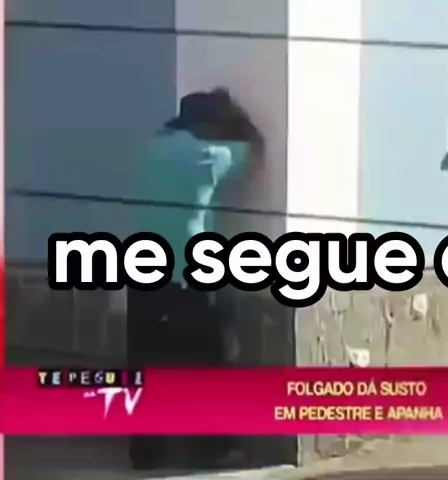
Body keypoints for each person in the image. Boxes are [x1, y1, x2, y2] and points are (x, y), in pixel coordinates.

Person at [128, 88, 263, 471]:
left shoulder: (154, 146)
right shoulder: (213, 155)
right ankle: (214, 447)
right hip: (189, 274)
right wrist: (237, 118)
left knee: (146, 361)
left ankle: (146, 452)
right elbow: (254, 148)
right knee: (211, 359)